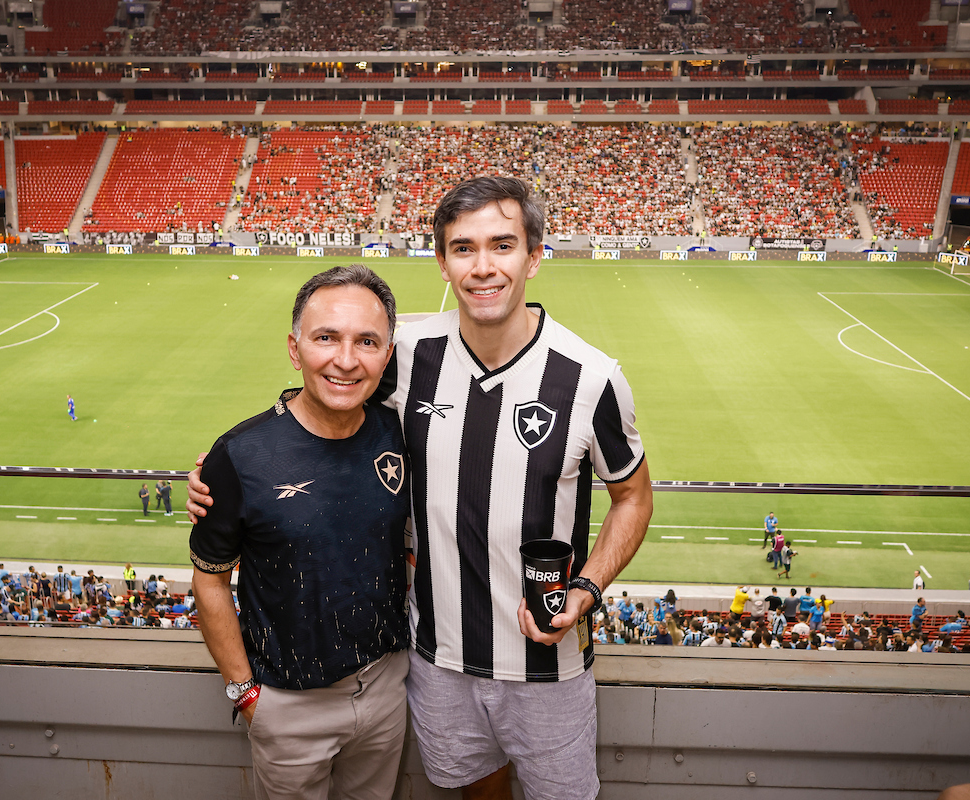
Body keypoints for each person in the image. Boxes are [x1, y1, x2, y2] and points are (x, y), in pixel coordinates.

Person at [188, 177, 652, 800]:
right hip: (437, 663)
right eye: (463, 248)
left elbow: (634, 497)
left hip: (550, 666)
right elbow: (327, 392)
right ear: (441, 261)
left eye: (502, 245)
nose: (482, 267)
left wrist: (589, 587)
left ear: (534, 256)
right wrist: (227, 466)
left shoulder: (592, 378)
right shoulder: (407, 351)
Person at [189, 265, 411, 800]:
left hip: (385, 688)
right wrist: (244, 691)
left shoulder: (399, 431)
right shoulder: (240, 455)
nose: (345, 360)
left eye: (367, 342)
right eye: (325, 338)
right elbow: (210, 581)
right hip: (287, 704)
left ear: (387, 354)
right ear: (294, 348)